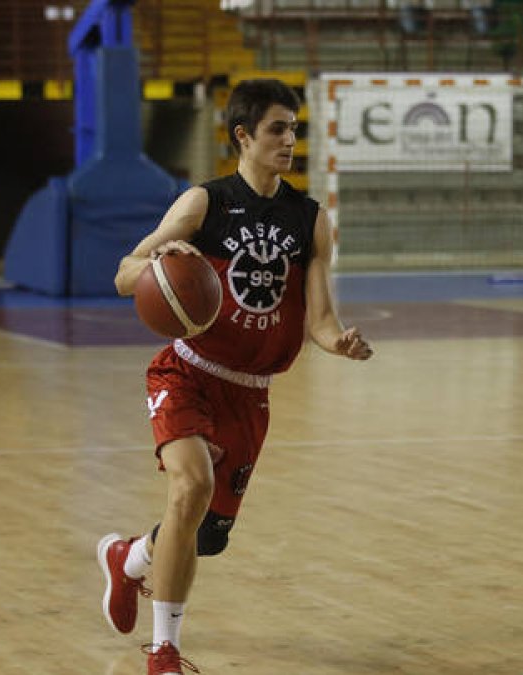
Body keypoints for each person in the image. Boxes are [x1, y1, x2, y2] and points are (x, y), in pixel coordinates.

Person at [96, 79, 373, 675]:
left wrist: (341, 343)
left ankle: (129, 559)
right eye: (277, 128)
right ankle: (164, 651)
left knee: (207, 535)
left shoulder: (310, 220)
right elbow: (125, 274)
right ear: (242, 136)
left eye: (294, 128)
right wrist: (166, 260)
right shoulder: (205, 204)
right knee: (189, 488)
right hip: (189, 372)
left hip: (251, 395)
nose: (289, 140)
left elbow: (321, 321)